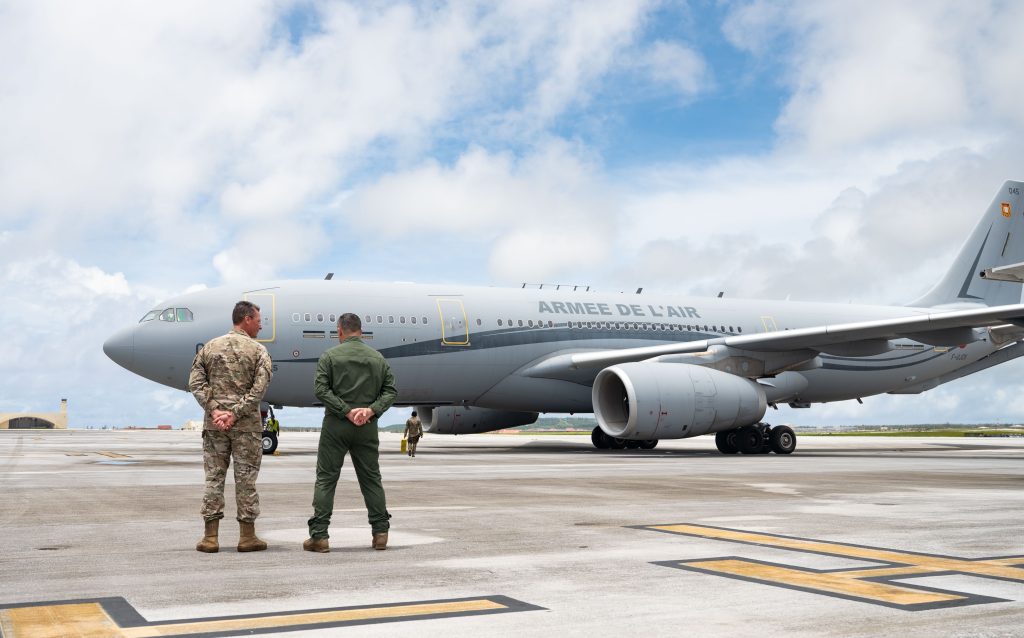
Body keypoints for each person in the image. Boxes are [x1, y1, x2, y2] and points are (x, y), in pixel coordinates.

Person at [304, 312, 397, 553]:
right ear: (361, 331)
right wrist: (370, 411)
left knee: (326, 479)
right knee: (371, 479)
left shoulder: (329, 356)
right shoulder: (377, 358)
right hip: (366, 427)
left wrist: (345, 411)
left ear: (340, 332)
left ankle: (320, 537)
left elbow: (321, 390)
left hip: (336, 425)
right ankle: (380, 533)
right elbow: (390, 391)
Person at [188, 300, 273, 553]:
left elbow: (195, 382)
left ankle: (210, 538)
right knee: (246, 480)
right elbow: (259, 389)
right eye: (258, 320)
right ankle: (247, 537)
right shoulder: (258, 351)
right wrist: (235, 414)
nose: (260, 324)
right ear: (246, 319)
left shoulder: (210, 348)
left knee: (214, 478)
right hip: (246, 427)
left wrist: (215, 410)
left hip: (215, 427)